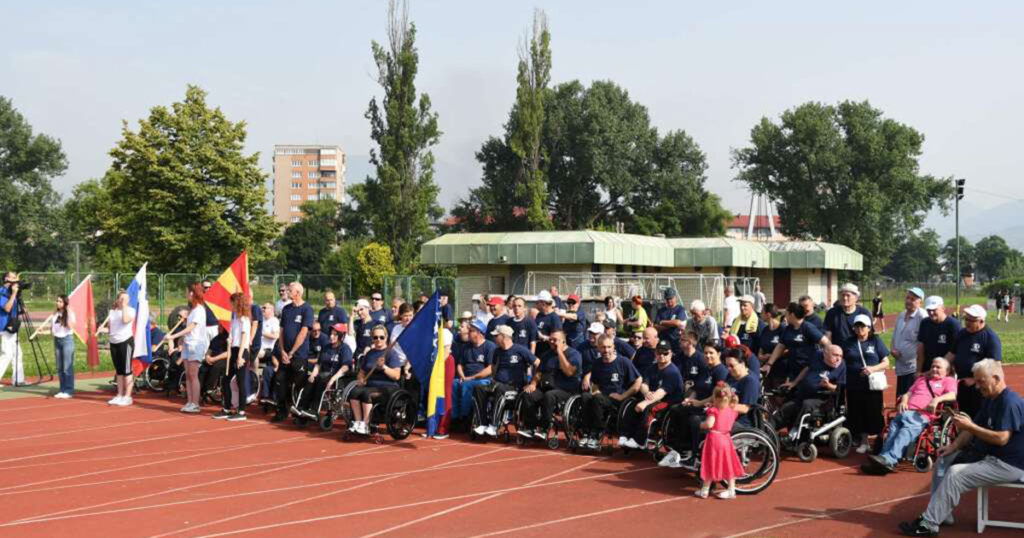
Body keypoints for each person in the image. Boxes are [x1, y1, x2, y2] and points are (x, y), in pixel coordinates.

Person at [898, 360, 1024, 537]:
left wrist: (970, 426)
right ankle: (943, 514)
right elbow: (972, 428)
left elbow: (1002, 439)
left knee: (956, 473)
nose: (977, 386)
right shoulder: (990, 399)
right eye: (977, 381)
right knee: (943, 460)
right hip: (989, 457)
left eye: (981, 381)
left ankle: (929, 523)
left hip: (1008, 465)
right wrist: (953, 446)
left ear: (995, 378)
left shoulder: (1009, 402)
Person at [862, 357, 957, 475]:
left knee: (904, 432)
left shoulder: (948, 380)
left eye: (938, 367)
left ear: (947, 371)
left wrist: (937, 399)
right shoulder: (922, 379)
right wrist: (903, 401)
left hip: (922, 415)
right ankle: (883, 459)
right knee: (892, 431)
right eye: (933, 366)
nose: (934, 369)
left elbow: (952, 395)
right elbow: (908, 393)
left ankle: (889, 459)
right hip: (906, 412)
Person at [660, 341, 730, 468]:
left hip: (711, 406)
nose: (708, 355)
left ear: (719, 354)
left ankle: (693, 455)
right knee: (676, 409)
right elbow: (696, 389)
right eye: (706, 353)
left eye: (711, 353)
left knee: (694, 419)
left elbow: (717, 395)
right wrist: (689, 399)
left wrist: (699, 403)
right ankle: (679, 449)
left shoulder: (721, 372)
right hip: (699, 404)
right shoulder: (705, 369)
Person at [578, 334, 641, 449]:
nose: (606, 350)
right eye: (603, 347)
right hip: (601, 397)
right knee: (586, 396)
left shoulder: (623, 362)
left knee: (597, 399)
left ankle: (597, 434)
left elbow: (638, 381)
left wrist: (623, 396)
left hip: (617, 400)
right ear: (598, 348)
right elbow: (595, 383)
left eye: (609, 347)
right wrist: (595, 391)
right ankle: (587, 433)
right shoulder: (597, 363)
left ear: (613, 347)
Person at [619, 339, 684, 449]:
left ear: (671, 354)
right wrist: (647, 393)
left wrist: (645, 402)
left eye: (665, 353)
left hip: (668, 402)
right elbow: (644, 384)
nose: (662, 355)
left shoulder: (672, 372)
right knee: (631, 404)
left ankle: (639, 440)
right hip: (652, 397)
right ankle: (625, 435)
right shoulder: (652, 368)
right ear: (655, 353)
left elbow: (661, 393)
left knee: (648, 408)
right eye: (659, 353)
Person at [473, 325, 536, 437]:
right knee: (478, 388)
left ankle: (494, 425)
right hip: (498, 384)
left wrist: (533, 383)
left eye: (496, 336)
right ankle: (482, 423)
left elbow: (538, 363)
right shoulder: (497, 351)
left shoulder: (520, 350)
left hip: (514, 388)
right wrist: (494, 377)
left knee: (500, 389)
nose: (494, 338)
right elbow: (493, 367)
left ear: (503, 337)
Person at [519, 329, 582, 441]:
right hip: (547, 387)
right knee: (528, 394)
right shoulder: (546, 355)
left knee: (550, 395)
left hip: (566, 391)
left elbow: (569, 371)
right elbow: (539, 373)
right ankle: (530, 427)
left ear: (563, 341)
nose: (551, 342)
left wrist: (560, 352)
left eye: (555, 340)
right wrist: (533, 384)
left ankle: (544, 428)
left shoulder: (574, 354)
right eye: (550, 339)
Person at [776, 344, 846, 440]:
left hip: (822, 400)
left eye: (840, 356)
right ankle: (766, 433)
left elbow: (839, 389)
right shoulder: (817, 355)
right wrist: (794, 382)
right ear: (825, 354)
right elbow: (807, 368)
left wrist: (828, 385)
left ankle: (794, 431)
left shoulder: (841, 365)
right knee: (786, 408)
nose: (839, 359)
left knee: (806, 404)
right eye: (835, 355)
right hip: (803, 395)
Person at [843, 314, 890, 454]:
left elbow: (886, 362)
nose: (859, 329)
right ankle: (864, 442)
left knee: (875, 413)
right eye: (856, 326)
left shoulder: (875, 341)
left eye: (862, 326)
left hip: (872, 386)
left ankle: (879, 442)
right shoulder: (848, 342)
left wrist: (872, 368)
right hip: (854, 384)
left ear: (869, 328)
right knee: (858, 413)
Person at [347, 325, 402, 435]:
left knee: (366, 394)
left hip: (388, 387)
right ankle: (358, 422)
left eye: (381, 337)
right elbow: (361, 372)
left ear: (386, 337)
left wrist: (384, 368)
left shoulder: (391, 353)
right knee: (354, 392)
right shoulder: (370, 353)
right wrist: (361, 379)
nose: (378, 340)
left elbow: (397, 376)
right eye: (375, 337)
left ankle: (366, 424)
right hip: (370, 385)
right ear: (372, 338)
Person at [272, 282, 314, 423]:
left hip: (299, 355)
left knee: (299, 384)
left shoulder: (307, 309)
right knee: (280, 380)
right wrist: (283, 350)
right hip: (285, 354)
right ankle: (281, 411)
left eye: (290, 290)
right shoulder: (286, 309)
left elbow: (303, 333)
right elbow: (282, 331)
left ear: (298, 293)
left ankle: (300, 413)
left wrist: (291, 352)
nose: (287, 292)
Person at [694, 383, 745, 500]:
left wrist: (701, 425)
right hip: (726, 439)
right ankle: (731, 489)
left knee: (710, 463)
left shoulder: (714, 411)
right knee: (728, 464)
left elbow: (709, 424)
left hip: (714, 439)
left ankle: (705, 490)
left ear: (715, 398)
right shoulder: (732, 410)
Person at [949, 304, 1002, 417]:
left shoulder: (990, 338)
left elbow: (995, 366)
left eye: (971, 320)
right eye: (966, 319)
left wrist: (975, 380)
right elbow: (951, 354)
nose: (967, 322)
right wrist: (941, 366)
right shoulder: (962, 333)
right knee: (962, 413)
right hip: (962, 383)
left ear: (981, 321)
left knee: (978, 416)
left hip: (980, 387)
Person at [763, 302, 831, 387]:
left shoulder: (808, 327)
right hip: (793, 370)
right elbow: (781, 346)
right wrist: (769, 364)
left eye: (786, 312)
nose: (784, 315)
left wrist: (823, 361)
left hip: (807, 371)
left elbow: (827, 343)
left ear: (792, 314)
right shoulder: (788, 329)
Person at [294, 324, 354, 419]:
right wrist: (313, 374)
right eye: (331, 334)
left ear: (341, 336)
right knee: (310, 380)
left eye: (335, 334)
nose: (331, 336)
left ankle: (314, 410)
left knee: (320, 380)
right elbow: (319, 364)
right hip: (323, 374)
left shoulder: (345, 349)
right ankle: (301, 408)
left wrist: (333, 379)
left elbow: (345, 367)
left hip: (336, 377)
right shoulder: (326, 347)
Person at [166, 283, 208, 413]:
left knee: (193, 375)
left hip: (196, 345)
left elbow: (191, 328)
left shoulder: (200, 309)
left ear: (192, 293)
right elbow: (188, 327)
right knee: (188, 375)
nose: (186, 295)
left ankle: (195, 403)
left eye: (187, 292)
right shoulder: (192, 310)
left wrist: (174, 335)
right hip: (188, 344)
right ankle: (189, 402)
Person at [214, 292, 252, 421]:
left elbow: (244, 336)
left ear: (238, 303)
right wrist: (230, 339)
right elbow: (233, 333)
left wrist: (240, 356)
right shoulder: (234, 316)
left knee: (240, 382)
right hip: (234, 350)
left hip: (242, 351)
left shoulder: (244, 319)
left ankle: (241, 411)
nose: (230, 305)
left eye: (232, 303)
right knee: (226, 379)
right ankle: (227, 407)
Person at [452, 320, 496, 424]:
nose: (468, 333)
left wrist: (471, 378)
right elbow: (459, 365)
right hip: (466, 378)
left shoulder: (490, 346)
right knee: (453, 384)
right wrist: (462, 376)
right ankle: (454, 416)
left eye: (471, 331)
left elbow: (490, 369)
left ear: (479, 333)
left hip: (483, 380)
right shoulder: (466, 347)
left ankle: (465, 417)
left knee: (466, 386)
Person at [37, 294, 76, 398]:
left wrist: (67, 314)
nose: (57, 303)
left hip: (67, 340)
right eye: (57, 301)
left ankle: (69, 390)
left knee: (67, 367)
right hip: (57, 340)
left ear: (65, 303)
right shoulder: (54, 314)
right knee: (59, 367)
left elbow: (72, 327)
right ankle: (62, 389)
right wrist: (41, 331)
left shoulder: (70, 313)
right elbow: (52, 331)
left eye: (60, 301)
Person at [892, 287, 927, 398]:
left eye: (912, 299)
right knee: (900, 398)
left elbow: (924, 342)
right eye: (907, 298)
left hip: (913, 367)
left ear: (920, 302)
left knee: (909, 400)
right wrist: (893, 349)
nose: (908, 301)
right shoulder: (902, 315)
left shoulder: (922, 317)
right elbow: (895, 335)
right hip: (900, 366)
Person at [106, 291, 136, 406]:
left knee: (127, 371)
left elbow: (125, 320)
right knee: (119, 371)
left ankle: (128, 396)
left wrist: (124, 307)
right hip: (114, 343)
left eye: (126, 299)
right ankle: (119, 395)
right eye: (122, 299)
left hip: (126, 342)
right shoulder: (112, 312)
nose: (124, 301)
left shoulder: (131, 311)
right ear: (118, 299)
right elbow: (110, 328)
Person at [917, 296, 959, 374]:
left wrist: (937, 369)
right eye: (929, 310)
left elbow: (955, 351)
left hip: (945, 371)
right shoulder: (924, 323)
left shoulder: (953, 325)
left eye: (934, 310)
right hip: (926, 368)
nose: (931, 313)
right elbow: (920, 348)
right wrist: (918, 371)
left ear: (943, 308)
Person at [0, 272, 26, 387]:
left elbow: (16, 309)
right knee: (7, 354)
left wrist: (22, 308)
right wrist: (14, 293)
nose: (16, 280)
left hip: (12, 327)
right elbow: (7, 308)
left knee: (18, 353)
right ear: (6, 279)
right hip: (5, 327)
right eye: (14, 278)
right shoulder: (1, 292)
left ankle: (18, 380)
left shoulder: (11, 293)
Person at [724, 348, 760, 427]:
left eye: (732, 366)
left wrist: (722, 407)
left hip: (741, 422)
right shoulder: (731, 375)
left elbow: (744, 408)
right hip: (727, 415)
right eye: (727, 366)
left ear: (742, 364)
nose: (728, 369)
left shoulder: (750, 381)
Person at [199, 326, 229, 402]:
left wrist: (214, 359)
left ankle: (210, 389)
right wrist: (207, 356)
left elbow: (228, 353)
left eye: (220, 326)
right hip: (212, 358)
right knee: (203, 367)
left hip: (224, 360)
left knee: (216, 366)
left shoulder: (228, 338)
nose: (218, 327)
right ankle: (200, 391)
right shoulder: (215, 338)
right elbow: (209, 349)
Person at [258, 303, 279, 403]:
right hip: (259, 349)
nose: (263, 309)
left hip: (269, 350)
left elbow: (276, 335)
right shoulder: (261, 319)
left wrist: (262, 333)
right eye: (263, 307)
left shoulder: (274, 321)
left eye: (265, 308)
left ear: (271, 310)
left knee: (254, 355)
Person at [654, 288, 686, 352]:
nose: (669, 300)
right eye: (667, 299)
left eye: (671, 298)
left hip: (675, 341)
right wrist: (672, 324)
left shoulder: (680, 309)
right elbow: (656, 326)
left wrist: (662, 322)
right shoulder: (661, 310)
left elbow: (678, 323)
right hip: (663, 341)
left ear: (675, 298)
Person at [533, 290, 562, 357]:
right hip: (538, 352)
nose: (535, 304)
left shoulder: (554, 318)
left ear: (543, 303)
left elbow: (558, 340)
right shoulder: (539, 315)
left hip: (548, 354)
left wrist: (543, 337)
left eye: (537, 302)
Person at [757, 304, 785, 372]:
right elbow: (761, 346)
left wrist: (771, 355)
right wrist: (760, 355)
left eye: (762, 312)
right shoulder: (765, 330)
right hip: (765, 367)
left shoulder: (783, 329)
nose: (760, 314)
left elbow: (787, 349)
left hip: (780, 368)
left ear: (768, 314)